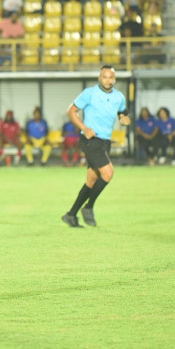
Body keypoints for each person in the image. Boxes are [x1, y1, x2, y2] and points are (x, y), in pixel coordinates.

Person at [61, 65, 130, 228]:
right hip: (90, 140)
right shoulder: (89, 93)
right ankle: (89, 207)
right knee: (108, 173)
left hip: (105, 142)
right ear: (99, 77)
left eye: (110, 77)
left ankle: (71, 215)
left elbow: (123, 114)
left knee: (91, 180)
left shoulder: (119, 97)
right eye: (104, 77)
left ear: (114, 79)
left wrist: (124, 119)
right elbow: (71, 111)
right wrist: (84, 128)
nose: (107, 80)